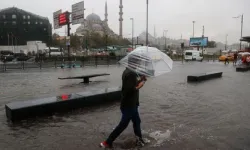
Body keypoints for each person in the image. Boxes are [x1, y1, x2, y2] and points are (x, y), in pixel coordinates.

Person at [100, 56, 147, 148]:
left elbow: (131, 85)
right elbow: (131, 89)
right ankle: (108, 142)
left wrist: (141, 79)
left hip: (131, 103)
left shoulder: (128, 71)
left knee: (137, 121)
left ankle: (140, 140)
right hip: (129, 104)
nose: (138, 64)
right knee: (123, 125)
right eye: (137, 63)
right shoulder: (131, 74)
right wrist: (141, 85)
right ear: (133, 63)